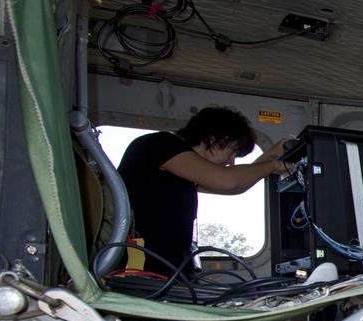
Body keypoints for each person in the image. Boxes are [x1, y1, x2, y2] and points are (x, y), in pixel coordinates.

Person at [117, 106, 289, 275]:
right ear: (214, 138)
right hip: (143, 271)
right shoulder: (161, 144)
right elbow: (229, 181)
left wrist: (272, 154)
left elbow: (237, 185)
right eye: (233, 151)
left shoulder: (177, 165)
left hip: (167, 271)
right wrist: (273, 165)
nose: (231, 162)